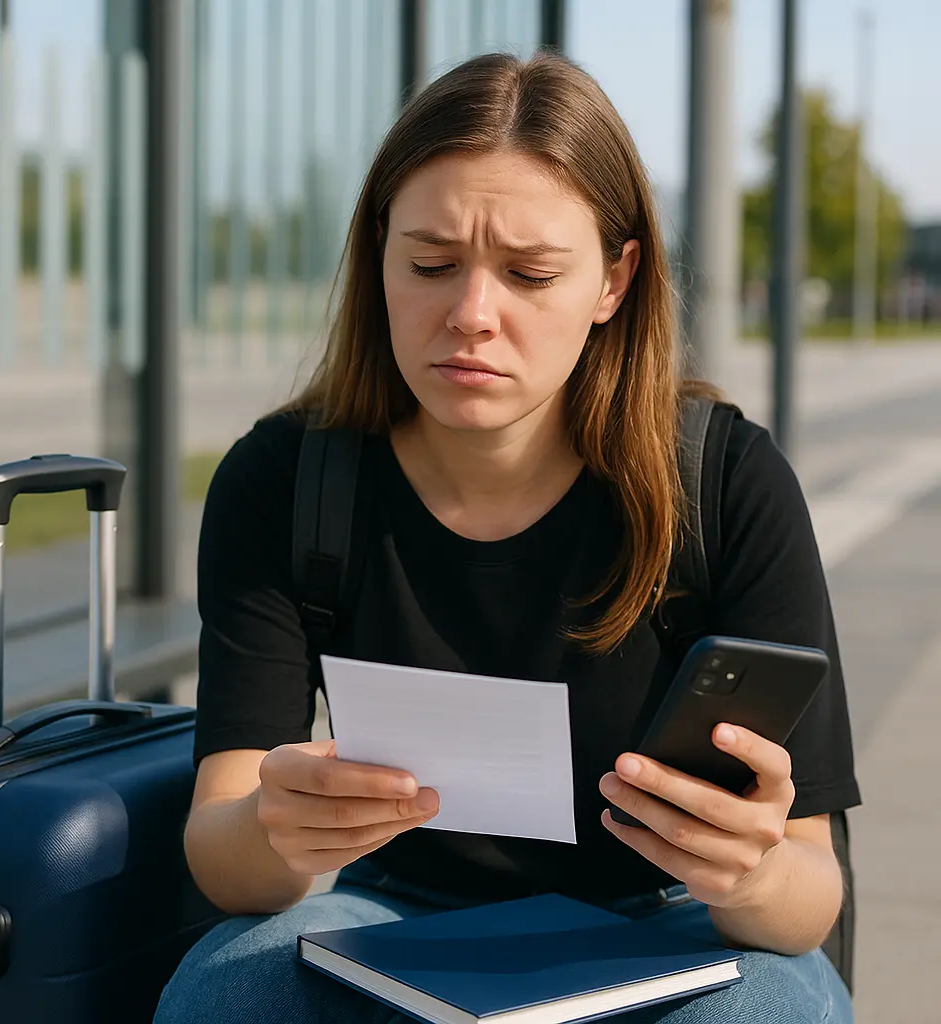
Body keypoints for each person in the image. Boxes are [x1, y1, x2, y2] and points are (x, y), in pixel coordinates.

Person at [154, 50, 860, 1024]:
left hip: (672, 919)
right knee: (222, 994)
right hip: (384, 907)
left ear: (615, 279)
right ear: (376, 255)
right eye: (430, 264)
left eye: (529, 273)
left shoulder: (723, 482)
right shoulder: (286, 480)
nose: (471, 315)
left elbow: (809, 892)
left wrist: (746, 872)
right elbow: (222, 849)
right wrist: (280, 830)